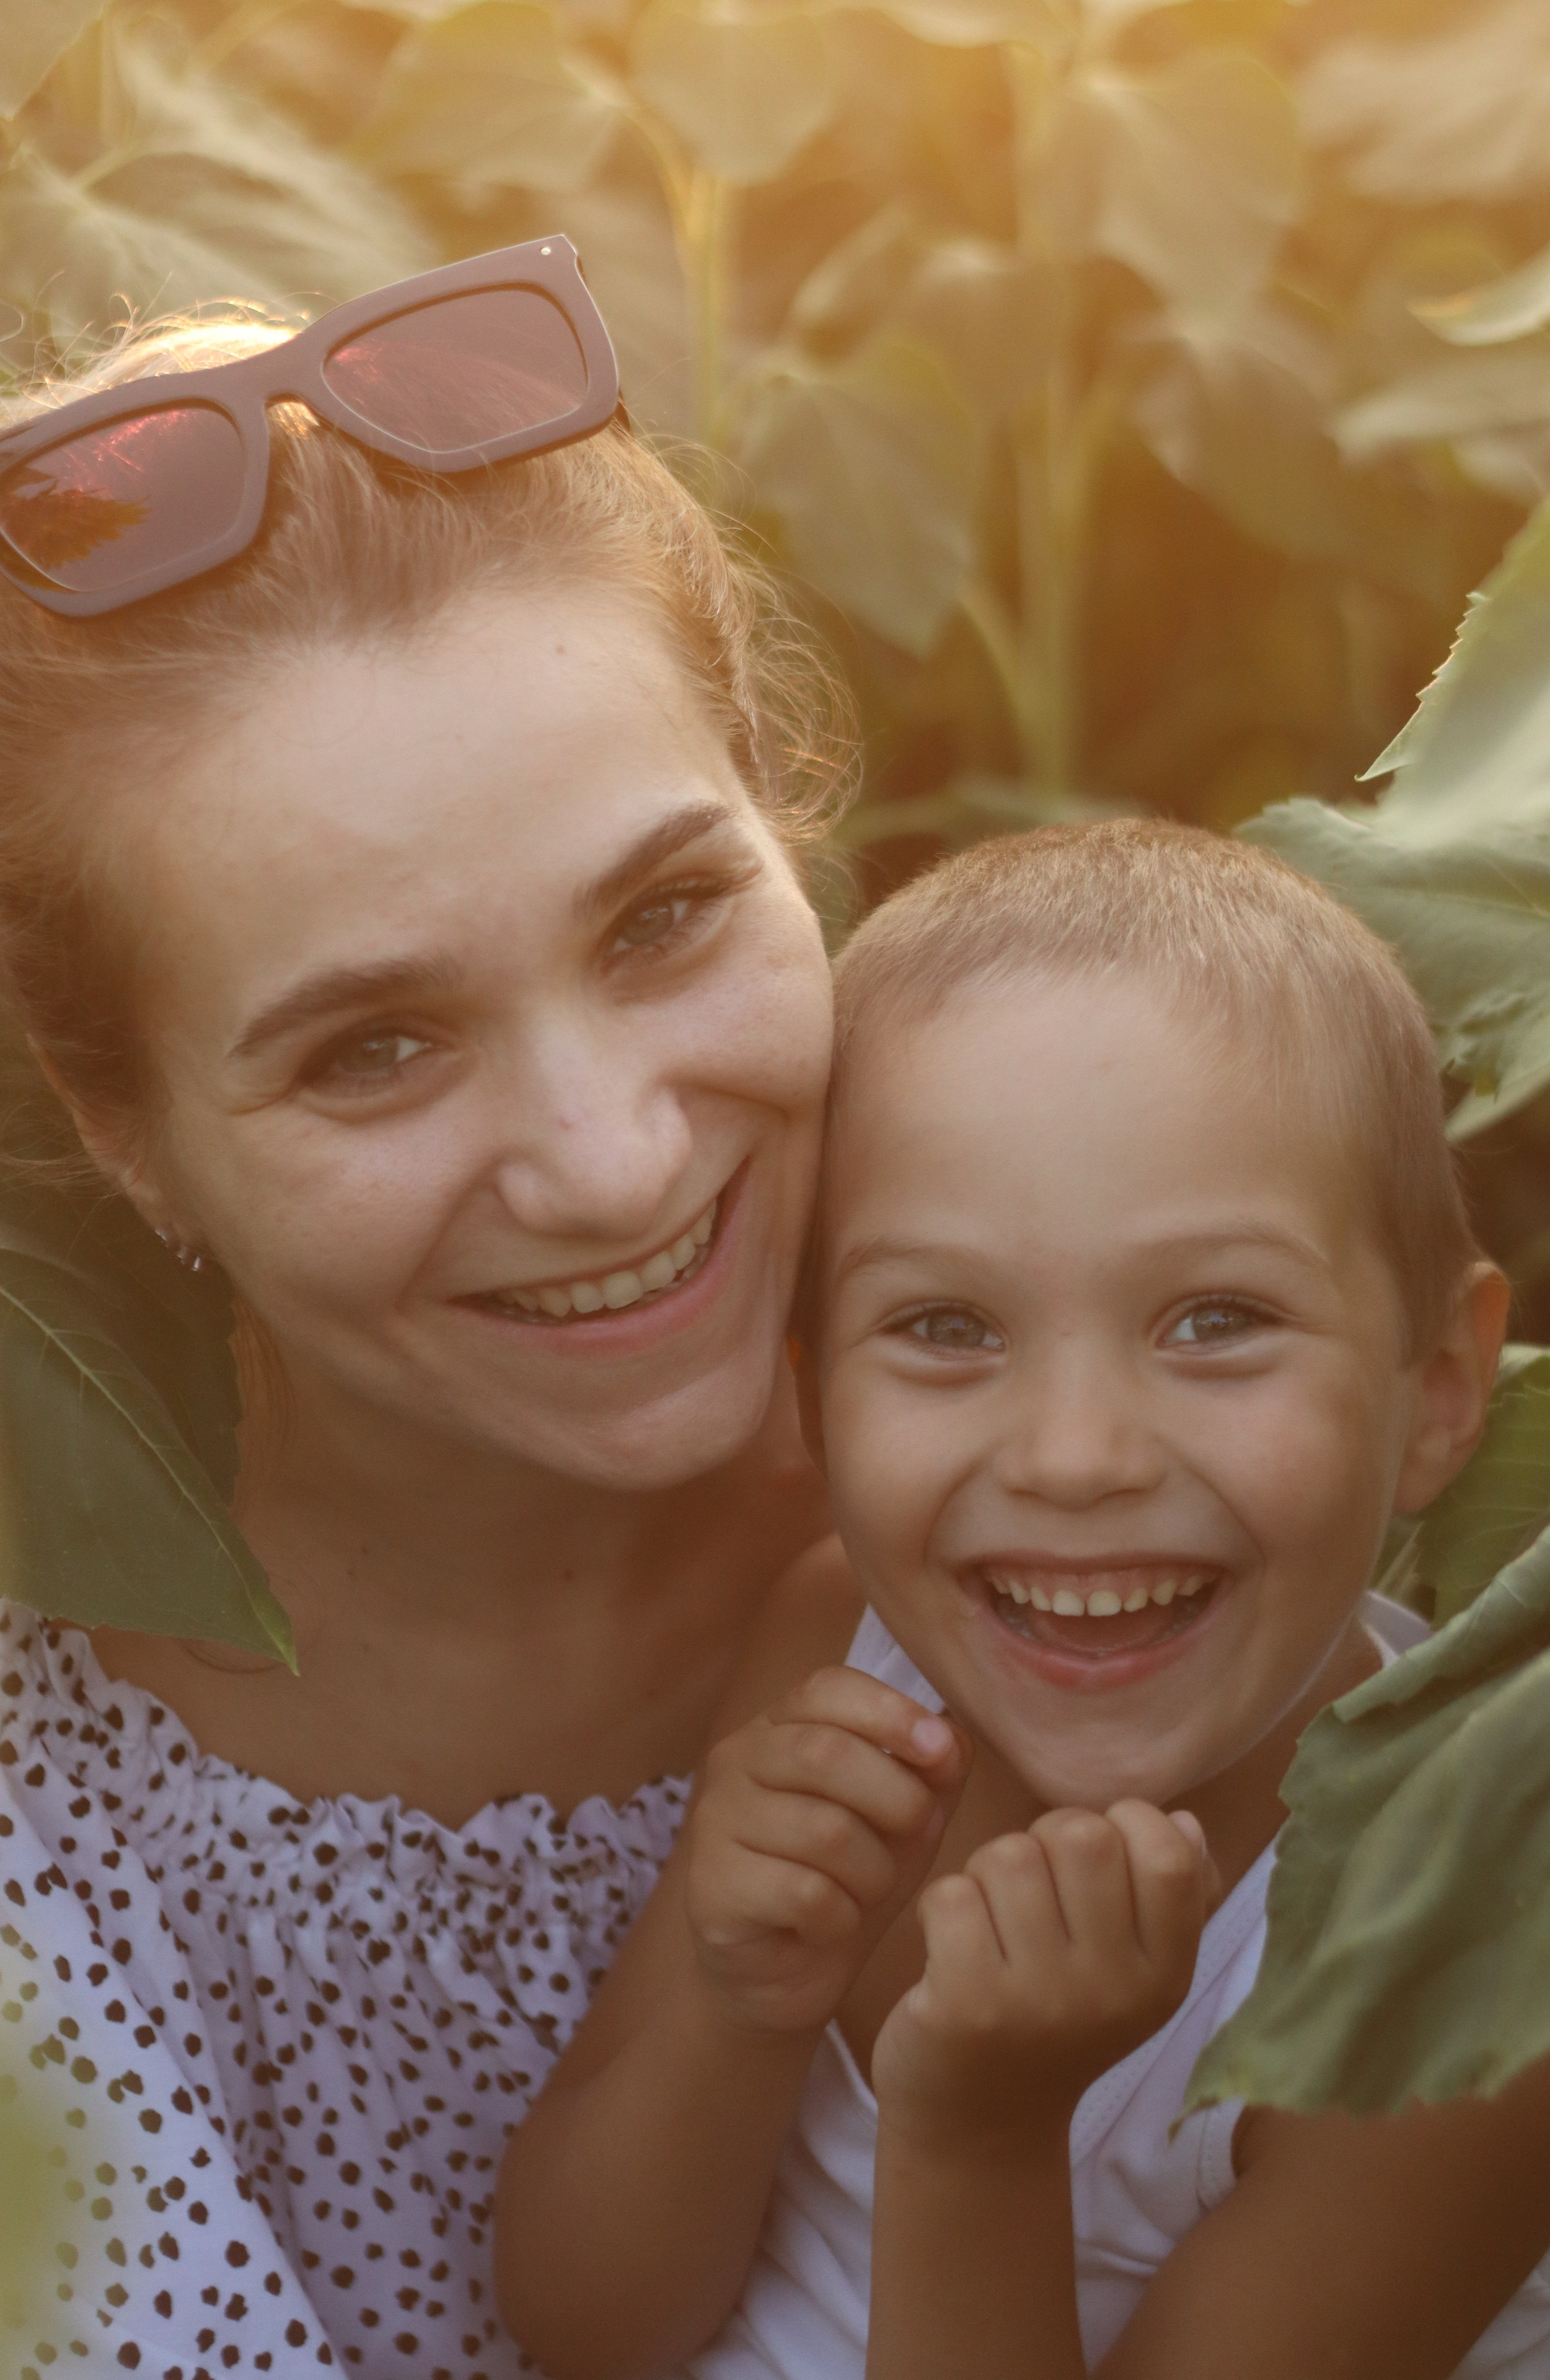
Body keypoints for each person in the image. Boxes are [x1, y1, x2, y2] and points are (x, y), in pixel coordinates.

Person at [0, 244, 853, 2379]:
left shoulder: (1114, 1477)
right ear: (124, 1130)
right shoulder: (48, 1833)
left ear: (782, 814)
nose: (617, 1161)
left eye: (666, 916)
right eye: (374, 1050)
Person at [496, 822, 1550, 2380]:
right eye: (943, 1325)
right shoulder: (833, 1656)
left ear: (1433, 1389)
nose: (1074, 1459)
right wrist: (735, 2007)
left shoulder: (1457, 1976)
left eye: (1214, 1320)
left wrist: (981, 2136)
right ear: (807, 1401)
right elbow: (579, 2320)